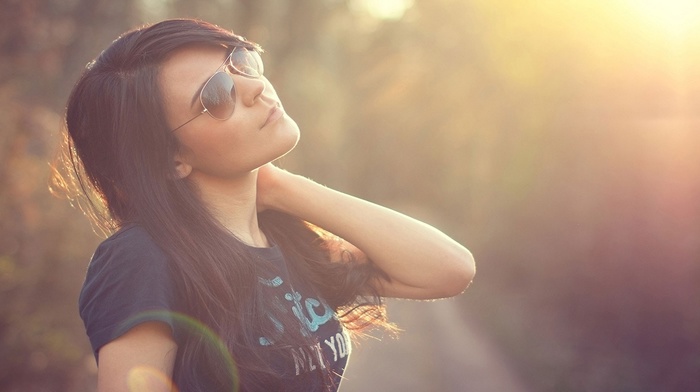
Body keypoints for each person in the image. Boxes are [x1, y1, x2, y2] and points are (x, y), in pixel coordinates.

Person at [52, 18, 475, 392]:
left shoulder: (286, 240)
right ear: (170, 158)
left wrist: (280, 187)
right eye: (217, 97)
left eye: (241, 61)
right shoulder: (141, 258)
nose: (255, 88)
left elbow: (449, 269)